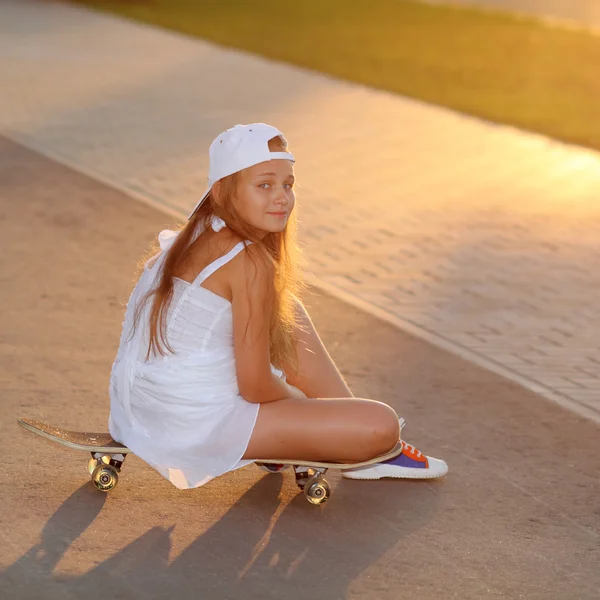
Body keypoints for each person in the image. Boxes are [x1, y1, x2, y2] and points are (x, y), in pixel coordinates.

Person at [108, 123, 448, 490]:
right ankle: (360, 448)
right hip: (191, 425)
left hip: (139, 411)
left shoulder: (196, 234)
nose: (282, 197)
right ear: (222, 190)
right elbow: (254, 386)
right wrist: (298, 401)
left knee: (290, 312)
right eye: (264, 185)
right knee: (380, 423)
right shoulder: (249, 262)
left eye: (288, 184)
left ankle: (328, 436)